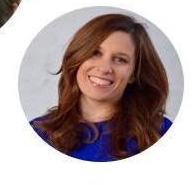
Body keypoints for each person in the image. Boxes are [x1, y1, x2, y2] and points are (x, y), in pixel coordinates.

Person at [30, 14, 171, 161]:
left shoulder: (159, 133)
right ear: (77, 58)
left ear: (133, 74)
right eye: (95, 53)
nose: (105, 68)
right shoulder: (38, 131)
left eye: (120, 59)